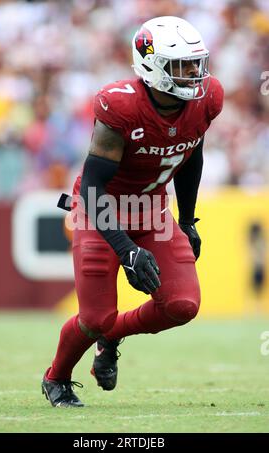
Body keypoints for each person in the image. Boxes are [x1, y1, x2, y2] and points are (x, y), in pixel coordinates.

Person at [41, 16, 224, 407]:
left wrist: (188, 220)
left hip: (152, 211)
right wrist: (127, 249)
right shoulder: (120, 105)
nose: (196, 73)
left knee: (182, 305)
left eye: (197, 63)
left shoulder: (207, 99)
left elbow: (191, 156)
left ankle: (113, 336)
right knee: (95, 317)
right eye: (183, 65)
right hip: (99, 210)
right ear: (152, 65)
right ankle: (57, 378)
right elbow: (92, 188)